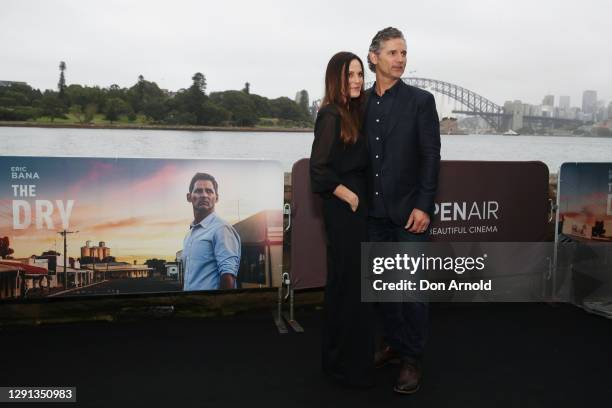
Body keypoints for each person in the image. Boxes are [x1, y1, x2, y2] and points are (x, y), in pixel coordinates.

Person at [365, 27, 441, 394]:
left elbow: (430, 156)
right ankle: (394, 344)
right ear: (373, 57)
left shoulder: (421, 101)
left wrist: (424, 206)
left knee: (410, 290)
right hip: (372, 216)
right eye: (393, 52)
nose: (400, 60)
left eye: (404, 53)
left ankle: (412, 359)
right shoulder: (359, 104)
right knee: (383, 289)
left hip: (411, 215)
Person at [310, 52, 374, 387]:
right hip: (344, 211)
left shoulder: (353, 112)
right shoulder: (331, 115)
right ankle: (340, 365)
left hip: (357, 212)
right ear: (336, 77)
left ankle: (352, 361)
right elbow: (318, 170)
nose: (357, 80)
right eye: (350, 74)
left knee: (353, 287)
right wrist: (349, 196)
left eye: (360, 74)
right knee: (346, 287)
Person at [182, 172, 241, 291]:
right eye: (198, 191)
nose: (204, 195)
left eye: (209, 191)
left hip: (210, 308)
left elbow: (228, 277)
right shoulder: (189, 235)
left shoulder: (221, 229)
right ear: (189, 197)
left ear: (216, 197)